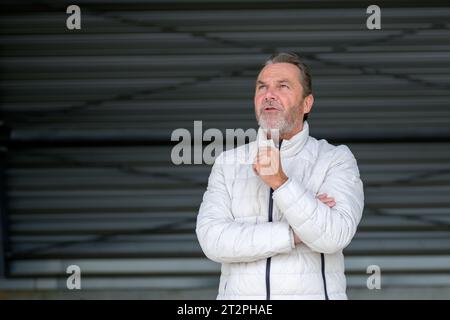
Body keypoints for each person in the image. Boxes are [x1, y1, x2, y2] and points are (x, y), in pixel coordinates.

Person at [196, 52, 364, 300]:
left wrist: (280, 182)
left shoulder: (335, 159)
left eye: (283, 86)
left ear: (307, 104)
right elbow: (213, 241)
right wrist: (293, 234)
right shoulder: (228, 162)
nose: (269, 95)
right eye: (262, 87)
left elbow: (333, 236)